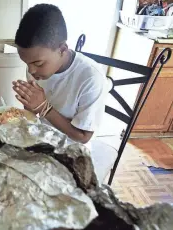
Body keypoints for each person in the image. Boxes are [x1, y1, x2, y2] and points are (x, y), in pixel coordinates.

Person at [13, 4, 111, 148]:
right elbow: (33, 113)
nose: (31, 71)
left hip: (71, 150)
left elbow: (83, 137)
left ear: (62, 49)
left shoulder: (91, 78)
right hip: (41, 138)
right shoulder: (36, 67)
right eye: (27, 63)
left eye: (38, 63)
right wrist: (30, 103)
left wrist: (45, 108)